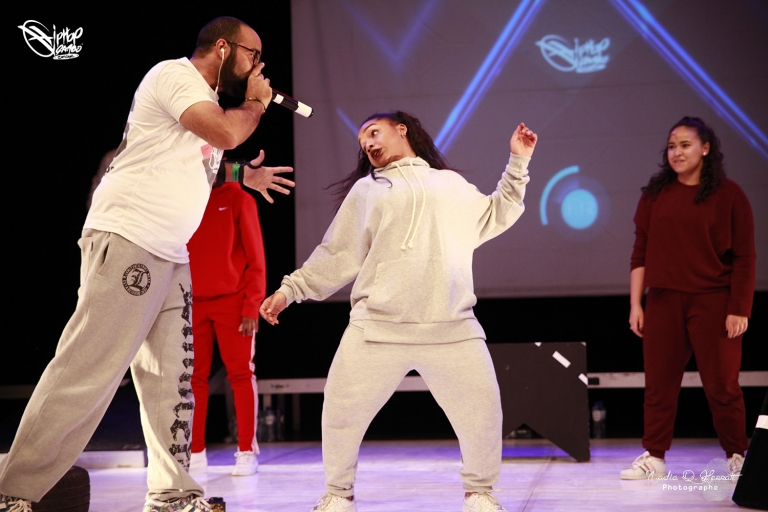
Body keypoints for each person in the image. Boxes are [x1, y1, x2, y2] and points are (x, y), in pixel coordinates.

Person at [0, 16, 294, 512]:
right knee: (88, 367)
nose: (257, 66)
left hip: (171, 252)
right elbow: (225, 133)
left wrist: (244, 176)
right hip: (131, 236)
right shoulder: (175, 76)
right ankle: (13, 489)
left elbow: (195, 159)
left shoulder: (201, 100)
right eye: (252, 54)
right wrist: (257, 104)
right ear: (223, 48)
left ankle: (172, 495)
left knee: (171, 382)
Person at [260, 111, 537, 512]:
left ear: (402, 130)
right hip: (377, 327)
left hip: (451, 325)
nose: (368, 144)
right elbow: (337, 254)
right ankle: (338, 494)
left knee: (482, 411)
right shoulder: (366, 190)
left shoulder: (450, 184)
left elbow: (499, 210)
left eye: (374, 133)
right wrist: (290, 290)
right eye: (362, 143)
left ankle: (479, 492)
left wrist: (518, 161)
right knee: (340, 409)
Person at [621, 116, 755, 480]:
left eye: (685, 145)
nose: (676, 152)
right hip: (664, 301)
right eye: (671, 146)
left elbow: (744, 256)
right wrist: (636, 303)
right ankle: (654, 457)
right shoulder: (655, 195)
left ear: (705, 148)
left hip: (714, 301)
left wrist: (739, 308)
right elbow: (640, 251)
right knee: (658, 385)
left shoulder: (730, 195)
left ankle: (736, 455)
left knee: (722, 385)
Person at [187, 162, 267, 476]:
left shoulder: (240, 199)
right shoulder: (186, 199)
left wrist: (251, 306)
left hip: (233, 303)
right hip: (193, 302)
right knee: (194, 379)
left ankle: (246, 451)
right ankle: (195, 453)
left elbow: (256, 258)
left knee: (241, 375)